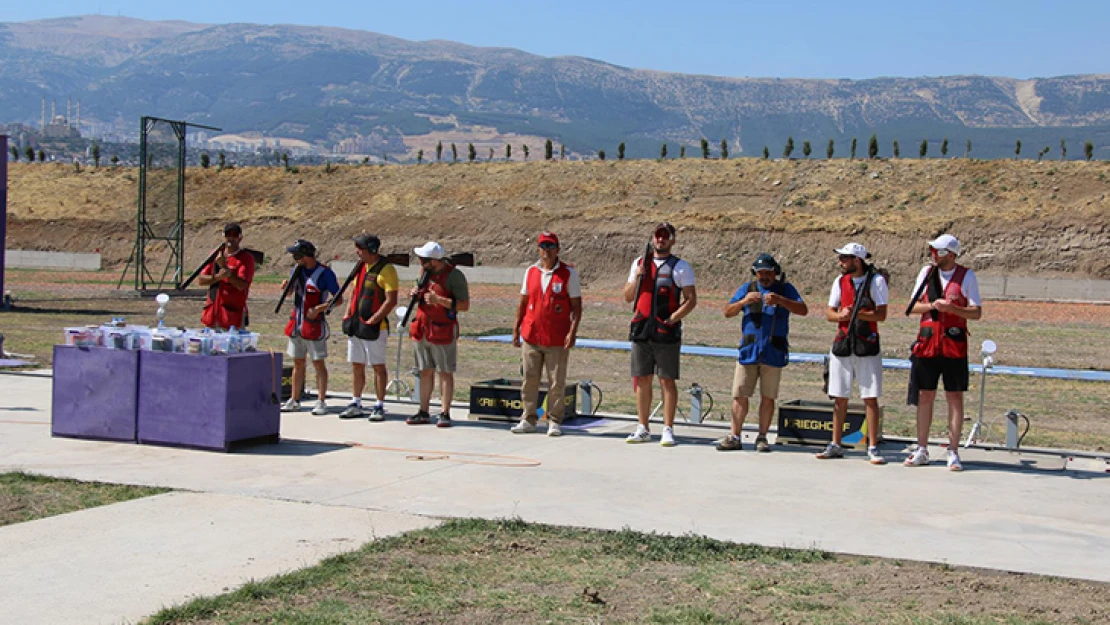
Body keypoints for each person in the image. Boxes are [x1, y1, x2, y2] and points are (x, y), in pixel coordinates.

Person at [904, 234, 982, 471]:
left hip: (953, 345)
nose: (933, 254)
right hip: (927, 345)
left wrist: (953, 308)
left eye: (937, 251)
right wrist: (932, 306)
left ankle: (953, 450)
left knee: (954, 398)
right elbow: (912, 307)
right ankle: (921, 448)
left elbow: (976, 312)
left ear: (950, 254)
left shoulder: (967, 276)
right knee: (925, 396)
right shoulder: (926, 274)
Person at [717, 253, 807, 452]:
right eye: (760, 273)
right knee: (740, 395)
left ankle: (762, 437)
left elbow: (803, 309)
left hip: (773, 351)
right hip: (749, 351)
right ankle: (734, 436)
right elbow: (727, 311)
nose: (764, 276)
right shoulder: (747, 289)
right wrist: (744, 302)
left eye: (768, 272)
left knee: (768, 397)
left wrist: (781, 301)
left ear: (776, 272)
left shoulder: (785, 289)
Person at [622, 222, 697, 446]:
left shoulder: (681, 267)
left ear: (672, 240)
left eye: (665, 236)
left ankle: (667, 429)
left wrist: (673, 318)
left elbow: (691, 299)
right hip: (641, 330)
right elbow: (627, 296)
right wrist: (637, 276)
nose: (660, 240)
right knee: (642, 379)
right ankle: (643, 427)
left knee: (667, 381)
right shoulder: (638, 263)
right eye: (657, 236)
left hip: (666, 331)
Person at [815, 243, 888, 464]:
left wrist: (859, 315)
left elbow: (881, 314)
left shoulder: (876, 281)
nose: (841, 263)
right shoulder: (840, 281)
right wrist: (842, 316)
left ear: (857, 260)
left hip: (867, 345)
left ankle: (873, 446)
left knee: (870, 397)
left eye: (845, 258)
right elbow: (829, 312)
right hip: (843, 343)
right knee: (839, 396)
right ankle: (835, 443)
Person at [510, 232, 582, 437]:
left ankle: (554, 420)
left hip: (557, 337)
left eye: (550, 246)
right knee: (529, 379)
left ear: (557, 249)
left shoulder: (568, 273)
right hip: (532, 335)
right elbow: (523, 302)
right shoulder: (531, 272)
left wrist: (572, 332)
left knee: (556, 382)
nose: (546, 250)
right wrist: (516, 329)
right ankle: (528, 418)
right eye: (543, 246)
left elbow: (576, 307)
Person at [407, 241, 469, 427]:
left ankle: (445, 412)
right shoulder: (423, 274)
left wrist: (439, 300)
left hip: (442, 330)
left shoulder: (455, 276)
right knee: (424, 371)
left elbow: (464, 305)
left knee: (445, 372)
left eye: (423, 259)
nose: (419, 261)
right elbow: (417, 292)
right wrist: (414, 294)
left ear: (433, 261)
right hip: (422, 329)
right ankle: (423, 410)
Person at [338, 234, 399, 421]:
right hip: (355, 325)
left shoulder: (387, 270)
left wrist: (375, 318)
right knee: (357, 365)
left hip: (375, 327)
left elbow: (391, 300)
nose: (357, 251)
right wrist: (348, 313)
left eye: (361, 248)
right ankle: (356, 401)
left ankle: (379, 405)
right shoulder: (360, 267)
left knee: (378, 367)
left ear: (371, 250)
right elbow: (353, 292)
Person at [279, 239, 342, 416]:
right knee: (298, 362)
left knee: (318, 363)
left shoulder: (325, 274)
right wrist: (286, 287)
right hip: (296, 323)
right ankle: (294, 399)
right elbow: (291, 293)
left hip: (313, 325)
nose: (294, 258)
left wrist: (320, 309)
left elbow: (338, 299)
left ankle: (321, 401)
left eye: (297, 255)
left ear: (305, 255)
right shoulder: (296, 271)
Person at [198, 222, 255, 330]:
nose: (231, 238)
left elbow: (242, 285)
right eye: (228, 235)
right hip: (212, 314)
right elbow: (201, 280)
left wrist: (224, 267)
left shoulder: (245, 258)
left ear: (240, 238)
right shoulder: (215, 255)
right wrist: (217, 278)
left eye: (235, 235)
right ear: (223, 236)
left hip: (232, 316)